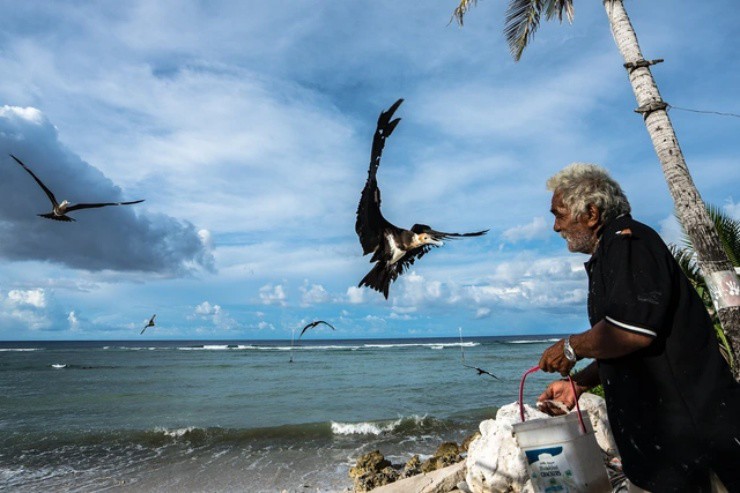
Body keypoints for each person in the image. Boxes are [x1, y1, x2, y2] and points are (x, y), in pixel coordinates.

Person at [537, 163, 740, 492]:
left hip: (691, 447)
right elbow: (633, 345)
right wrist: (580, 384)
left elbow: (632, 330)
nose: (555, 227)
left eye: (559, 214)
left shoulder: (629, 241)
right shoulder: (614, 251)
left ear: (591, 213)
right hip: (666, 453)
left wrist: (571, 347)